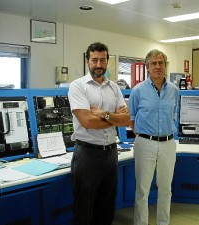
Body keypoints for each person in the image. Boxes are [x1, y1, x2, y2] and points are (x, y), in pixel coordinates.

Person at [68, 42, 130, 225]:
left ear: (107, 61)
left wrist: (103, 114)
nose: (98, 64)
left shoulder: (114, 88)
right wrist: (114, 118)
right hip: (87, 154)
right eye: (94, 60)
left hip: (111, 153)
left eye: (102, 60)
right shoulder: (78, 86)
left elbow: (126, 121)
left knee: (106, 207)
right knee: (84, 210)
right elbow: (87, 121)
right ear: (88, 61)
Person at [128, 49, 178, 225]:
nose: (157, 66)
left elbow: (174, 115)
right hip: (145, 143)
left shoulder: (174, 90)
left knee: (166, 189)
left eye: (161, 63)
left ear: (165, 66)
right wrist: (145, 135)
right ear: (147, 67)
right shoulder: (137, 91)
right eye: (153, 63)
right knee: (143, 190)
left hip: (168, 143)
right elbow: (132, 120)